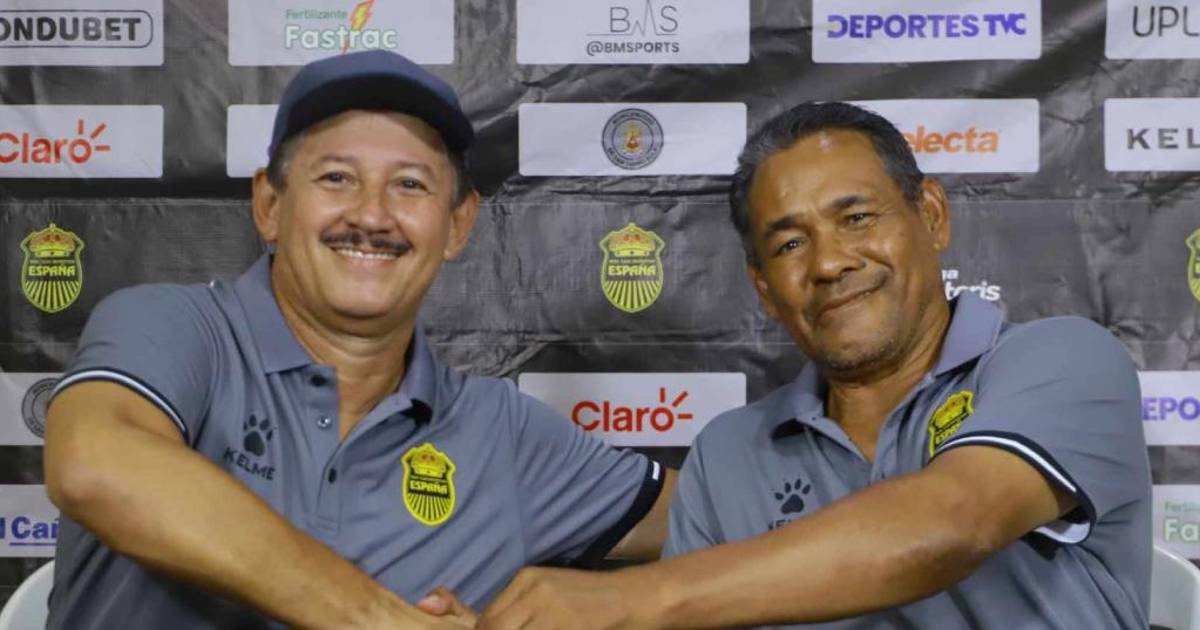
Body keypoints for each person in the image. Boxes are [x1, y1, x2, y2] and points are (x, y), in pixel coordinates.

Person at [43, 50, 674, 630]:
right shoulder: (175, 328)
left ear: (458, 225)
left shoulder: (502, 433)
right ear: (269, 204)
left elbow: (717, 510)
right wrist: (381, 620)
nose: (372, 215)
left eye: (410, 185)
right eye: (337, 177)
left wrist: (616, 601)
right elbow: (96, 462)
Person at [475, 102, 1151, 629]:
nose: (828, 263)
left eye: (856, 218)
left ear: (931, 216)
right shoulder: (729, 453)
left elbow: (951, 523)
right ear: (765, 289)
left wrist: (629, 598)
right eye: (791, 244)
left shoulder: (1062, 359)